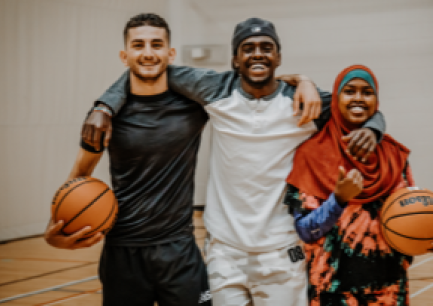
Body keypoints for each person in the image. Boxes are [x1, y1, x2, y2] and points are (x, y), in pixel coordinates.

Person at [85, 18, 387, 306]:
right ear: (234, 59)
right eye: (248, 47)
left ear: (279, 57)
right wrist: (104, 105)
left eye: (266, 47)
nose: (258, 53)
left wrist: (373, 128)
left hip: (282, 249)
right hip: (224, 250)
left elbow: (360, 106)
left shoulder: (304, 101)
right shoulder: (214, 89)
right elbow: (147, 67)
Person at [44, 13, 214, 306]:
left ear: (170, 53)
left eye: (156, 45)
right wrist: (56, 229)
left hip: (179, 250)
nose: (148, 53)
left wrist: (298, 80)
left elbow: (249, 86)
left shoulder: (194, 107)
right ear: (125, 56)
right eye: (138, 45)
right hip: (123, 253)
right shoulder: (102, 119)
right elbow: (80, 174)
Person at [284, 65, 433, 306]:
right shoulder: (310, 154)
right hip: (332, 289)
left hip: (389, 286)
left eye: (367, 92)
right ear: (336, 99)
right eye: (350, 91)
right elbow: (305, 230)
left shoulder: (394, 155)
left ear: (376, 100)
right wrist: (338, 200)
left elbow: (410, 216)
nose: (358, 98)